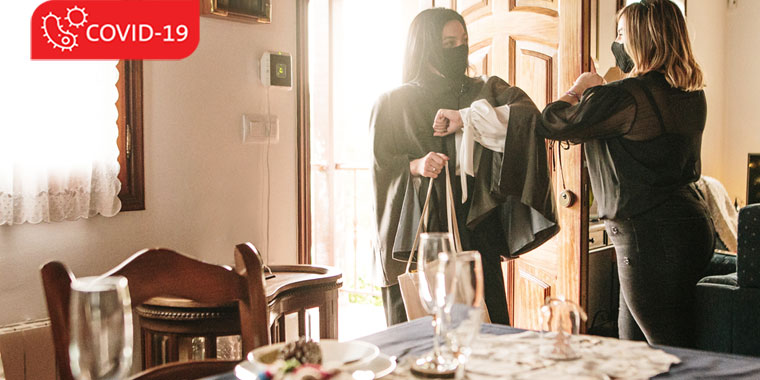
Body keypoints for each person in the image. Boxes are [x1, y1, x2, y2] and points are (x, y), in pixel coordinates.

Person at [538, 0, 713, 348]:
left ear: (642, 39)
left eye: (621, 34)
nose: (616, 43)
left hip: (649, 238)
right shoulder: (693, 94)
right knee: (632, 347)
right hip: (691, 226)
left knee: (667, 353)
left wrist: (581, 88)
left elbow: (552, 122)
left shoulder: (623, 96)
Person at [370, 8, 558, 326]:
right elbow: (381, 168)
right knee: (423, 338)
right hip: (422, 233)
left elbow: (528, 118)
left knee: (485, 327)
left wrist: (469, 116)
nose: (459, 48)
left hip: (475, 228)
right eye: (448, 42)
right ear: (425, 45)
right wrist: (414, 166)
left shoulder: (484, 89)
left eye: (463, 40)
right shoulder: (393, 103)